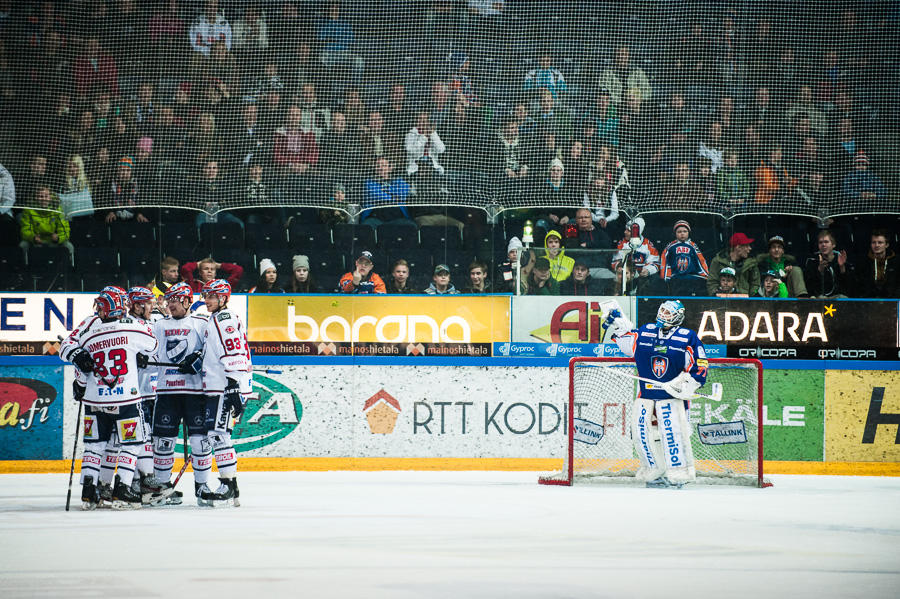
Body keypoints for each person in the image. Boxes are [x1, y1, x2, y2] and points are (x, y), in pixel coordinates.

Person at [60, 288, 159, 509]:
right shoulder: (132, 328)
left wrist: (80, 385)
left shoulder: (88, 334)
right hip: (126, 400)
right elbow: (153, 347)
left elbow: (78, 363)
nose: (97, 310)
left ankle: (89, 489)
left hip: (95, 401)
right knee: (132, 444)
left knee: (94, 446)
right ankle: (122, 489)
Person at [606, 300, 708, 488]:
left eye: (668, 313)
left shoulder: (688, 337)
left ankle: (677, 474)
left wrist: (689, 384)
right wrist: (620, 327)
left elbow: (699, 364)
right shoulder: (646, 331)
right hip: (646, 397)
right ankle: (654, 473)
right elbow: (628, 346)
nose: (663, 315)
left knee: (674, 433)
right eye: (662, 310)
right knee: (644, 434)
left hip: (673, 398)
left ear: (678, 316)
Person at [147, 282, 212, 506]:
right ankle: (162, 489)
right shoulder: (158, 325)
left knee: (200, 442)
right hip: (166, 391)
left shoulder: (202, 323)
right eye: (168, 300)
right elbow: (150, 355)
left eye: (175, 300)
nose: (170, 304)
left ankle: (203, 487)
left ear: (187, 301)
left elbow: (214, 349)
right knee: (163, 442)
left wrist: (200, 359)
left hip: (195, 392)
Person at [199, 279, 251, 507]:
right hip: (220, 386)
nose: (206, 300)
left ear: (222, 298)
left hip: (225, 386)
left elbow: (234, 351)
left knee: (219, 435)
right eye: (205, 296)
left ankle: (228, 486)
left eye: (210, 296)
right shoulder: (216, 318)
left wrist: (232, 386)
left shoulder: (224, 318)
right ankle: (233, 488)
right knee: (218, 435)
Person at [611, 218, 663, 296]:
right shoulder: (621, 244)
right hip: (626, 275)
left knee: (655, 280)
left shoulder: (648, 245)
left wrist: (648, 270)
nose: (625, 232)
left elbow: (655, 263)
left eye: (628, 231)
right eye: (625, 230)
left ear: (636, 232)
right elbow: (615, 262)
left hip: (642, 277)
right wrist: (625, 270)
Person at [19, 186, 74, 257]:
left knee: (69, 246)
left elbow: (65, 231)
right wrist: (33, 237)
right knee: (23, 245)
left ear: (51, 196)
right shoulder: (28, 209)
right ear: (35, 197)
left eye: (46, 196)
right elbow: (25, 230)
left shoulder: (60, 209)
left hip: (54, 240)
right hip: (36, 241)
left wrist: (58, 238)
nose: (44, 199)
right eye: (41, 196)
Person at [660, 220, 709, 296]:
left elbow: (700, 261)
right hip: (675, 278)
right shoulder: (670, 247)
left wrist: (705, 275)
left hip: (691, 278)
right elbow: (665, 261)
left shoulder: (693, 246)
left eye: (685, 231)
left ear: (688, 233)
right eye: (679, 232)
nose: (682, 234)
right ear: (675, 233)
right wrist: (666, 277)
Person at [804, 229, 855, 298]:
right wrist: (819, 270)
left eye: (826, 242)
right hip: (820, 297)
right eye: (820, 242)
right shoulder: (812, 261)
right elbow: (810, 288)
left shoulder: (841, 259)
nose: (823, 245)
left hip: (837, 297)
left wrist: (842, 267)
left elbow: (848, 287)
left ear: (833, 244)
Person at [856, 230, 898, 299]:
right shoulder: (863, 263)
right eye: (873, 242)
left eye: (880, 242)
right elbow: (860, 286)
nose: (876, 245)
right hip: (868, 301)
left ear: (887, 245)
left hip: (893, 300)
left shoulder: (896, 262)